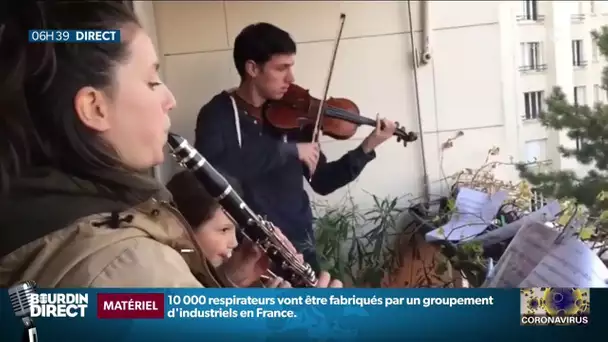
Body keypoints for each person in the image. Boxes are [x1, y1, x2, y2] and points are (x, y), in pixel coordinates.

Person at [0, 2, 342, 289]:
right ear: (94, 107)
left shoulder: (41, 212)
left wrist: (229, 282)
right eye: (152, 80)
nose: (170, 99)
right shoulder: (129, 264)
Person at [194, 22, 397, 272]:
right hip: (244, 250)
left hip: (298, 245)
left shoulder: (294, 115)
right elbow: (213, 174)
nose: (291, 79)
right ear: (252, 68)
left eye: (291, 67)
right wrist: (289, 151)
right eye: (282, 69)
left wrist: (368, 146)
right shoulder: (218, 114)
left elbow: (322, 181)